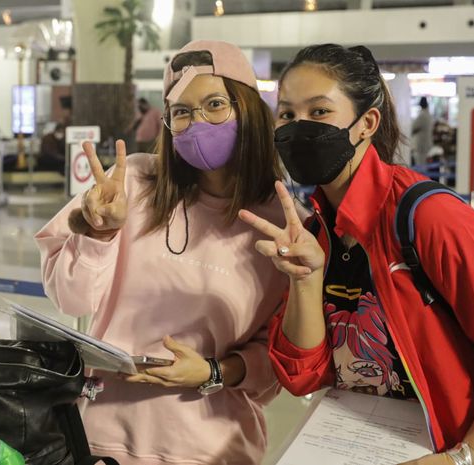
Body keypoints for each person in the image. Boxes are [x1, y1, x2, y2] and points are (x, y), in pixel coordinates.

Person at [239, 44, 474, 465]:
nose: (298, 127)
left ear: (367, 123)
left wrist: (463, 456)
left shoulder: (431, 219)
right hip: (380, 444)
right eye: (286, 114)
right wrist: (305, 279)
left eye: (319, 111)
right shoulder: (316, 232)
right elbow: (304, 376)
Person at [35, 40, 286, 465]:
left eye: (214, 104)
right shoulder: (129, 183)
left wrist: (213, 371)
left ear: (248, 110)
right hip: (98, 440)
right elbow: (71, 298)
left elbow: (280, 359)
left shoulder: (282, 221)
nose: (197, 122)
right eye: (181, 112)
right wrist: (98, 236)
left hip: (210, 447)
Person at [411, 96, 433, 166]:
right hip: (426, 144)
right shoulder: (429, 114)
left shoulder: (422, 115)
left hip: (421, 146)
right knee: (424, 165)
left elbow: (412, 127)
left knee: (420, 166)